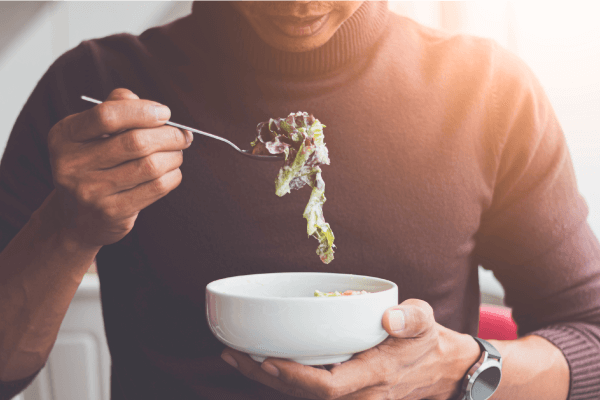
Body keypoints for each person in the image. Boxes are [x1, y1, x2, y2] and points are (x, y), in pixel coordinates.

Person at [1, 1, 599, 399]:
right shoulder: (94, 94)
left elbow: (591, 335)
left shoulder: (490, 91)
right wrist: (65, 230)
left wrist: (459, 368)